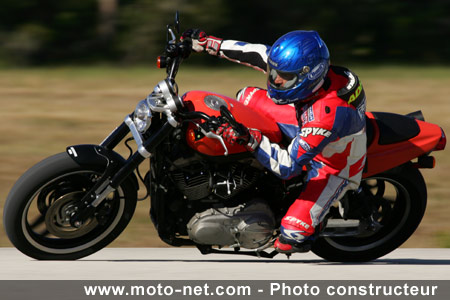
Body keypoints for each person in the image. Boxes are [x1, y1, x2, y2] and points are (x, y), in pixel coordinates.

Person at [181, 29, 367, 253]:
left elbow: (288, 166)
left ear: (310, 74)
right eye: (275, 71)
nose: (276, 79)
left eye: (285, 77)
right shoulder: (307, 74)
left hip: (333, 161)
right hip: (305, 117)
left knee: (290, 237)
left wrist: (251, 139)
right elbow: (256, 52)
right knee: (245, 97)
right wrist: (206, 44)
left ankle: (309, 218)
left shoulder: (325, 116)